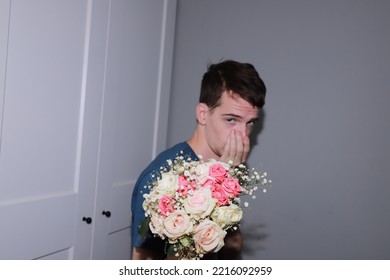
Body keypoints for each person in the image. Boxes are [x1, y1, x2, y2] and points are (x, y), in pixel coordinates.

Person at [131, 59, 267, 259]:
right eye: (231, 119)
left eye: (250, 123)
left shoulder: (227, 167)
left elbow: (233, 243)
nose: (243, 136)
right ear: (203, 114)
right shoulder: (163, 178)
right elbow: (144, 261)